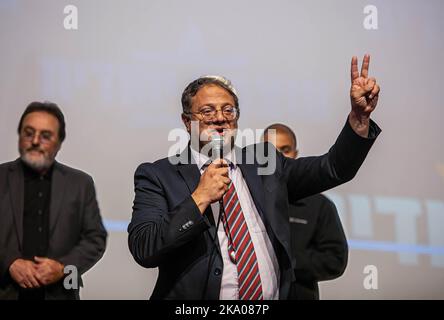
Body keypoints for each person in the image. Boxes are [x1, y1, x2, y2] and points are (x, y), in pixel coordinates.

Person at [128, 55, 381, 299]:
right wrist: (199, 199)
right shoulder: (158, 175)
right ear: (186, 121)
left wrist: (359, 119)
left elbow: (333, 168)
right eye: (207, 111)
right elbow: (144, 248)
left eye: (229, 110)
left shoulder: (265, 162)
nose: (220, 118)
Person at [0, 101, 107, 300]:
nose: (35, 141)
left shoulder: (80, 183)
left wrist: (63, 267)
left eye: (45, 136)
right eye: (28, 133)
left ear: (59, 143)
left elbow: (95, 239)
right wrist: (9, 263)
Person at [263, 123, 348, 300]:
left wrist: (287, 261)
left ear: (295, 154)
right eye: (271, 152)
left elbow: (335, 260)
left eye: (285, 150)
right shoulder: (245, 196)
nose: (278, 157)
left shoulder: (320, 206)